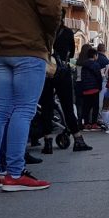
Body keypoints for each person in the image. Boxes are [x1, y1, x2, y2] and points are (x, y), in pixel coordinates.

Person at [0, 0, 61, 191]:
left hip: (0, 51)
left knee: (0, 111)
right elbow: (51, 10)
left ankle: (0, 171)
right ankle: (14, 173)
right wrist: (48, 38)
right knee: (23, 110)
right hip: (29, 50)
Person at [39, 9, 92, 153]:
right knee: (68, 107)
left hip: (45, 71)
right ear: (63, 18)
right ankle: (78, 139)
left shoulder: (42, 31)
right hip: (62, 72)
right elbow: (71, 52)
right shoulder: (68, 32)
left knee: (46, 107)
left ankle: (48, 143)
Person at [79, 47, 104, 133]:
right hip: (94, 89)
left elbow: (82, 77)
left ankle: (86, 124)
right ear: (94, 55)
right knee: (95, 107)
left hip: (86, 89)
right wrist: (100, 87)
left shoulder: (83, 65)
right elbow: (99, 77)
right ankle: (94, 124)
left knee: (86, 107)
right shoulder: (96, 65)